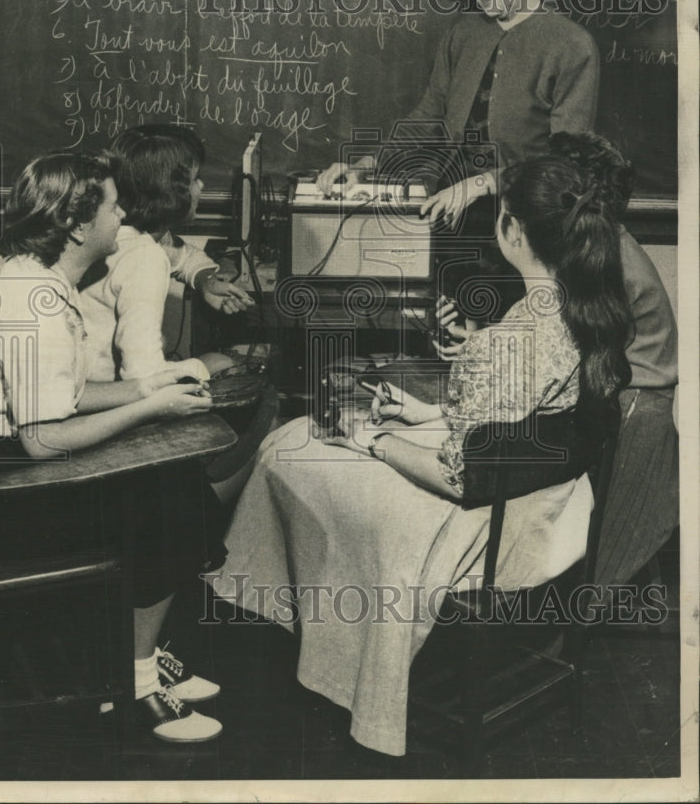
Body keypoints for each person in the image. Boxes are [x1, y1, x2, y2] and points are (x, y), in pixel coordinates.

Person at [208, 155, 631, 756]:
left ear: (512, 231)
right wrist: (422, 413)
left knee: (289, 447)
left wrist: (371, 439)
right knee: (305, 446)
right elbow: (523, 427)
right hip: (549, 506)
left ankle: (298, 632)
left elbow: (458, 474)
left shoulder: (509, 338)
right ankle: (315, 629)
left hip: (484, 531)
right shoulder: (582, 308)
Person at [0, 152, 225, 744]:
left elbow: (66, 397)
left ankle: (130, 662)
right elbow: (45, 438)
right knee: (171, 497)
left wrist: (147, 384)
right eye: (111, 204)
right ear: (77, 224)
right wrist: (151, 407)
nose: (123, 212)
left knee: (175, 483)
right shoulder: (34, 298)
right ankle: (136, 685)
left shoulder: (39, 281)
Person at [316, 0, 600, 229]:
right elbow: (428, 117)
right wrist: (365, 166)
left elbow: (565, 164)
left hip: (529, 220)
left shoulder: (572, 45)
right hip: (449, 210)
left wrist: (478, 186)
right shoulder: (463, 34)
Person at [547, 131, 679, 587]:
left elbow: (578, 351)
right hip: (628, 398)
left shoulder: (609, 257)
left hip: (638, 410)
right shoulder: (607, 243)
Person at [80, 123, 253, 385]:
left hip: (94, 386)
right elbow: (143, 376)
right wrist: (206, 365)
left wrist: (206, 281)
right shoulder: (143, 256)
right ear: (170, 190)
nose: (202, 185)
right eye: (195, 179)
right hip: (105, 395)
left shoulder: (128, 235)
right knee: (232, 367)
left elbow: (183, 256)